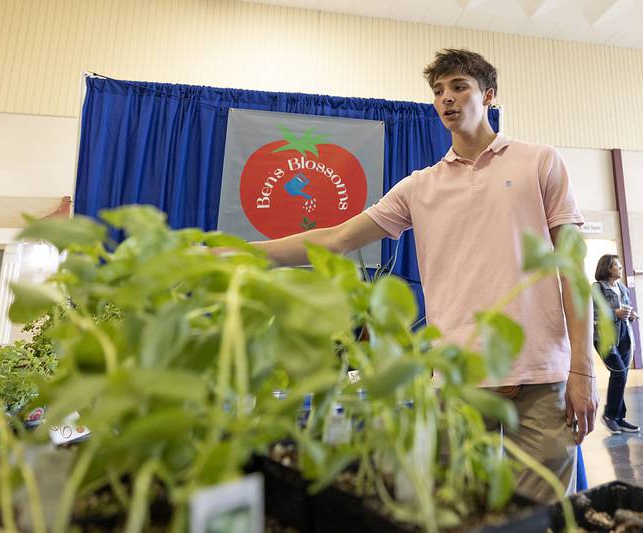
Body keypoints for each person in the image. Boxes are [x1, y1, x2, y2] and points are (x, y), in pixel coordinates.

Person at [252, 48, 597, 501]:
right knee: (454, 508)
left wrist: (583, 369)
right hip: (456, 378)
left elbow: (571, 268)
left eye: (459, 87)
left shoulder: (539, 162)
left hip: (539, 375)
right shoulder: (420, 186)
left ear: (488, 95)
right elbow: (336, 239)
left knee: (541, 513)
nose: (446, 99)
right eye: (438, 92)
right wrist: (240, 254)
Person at [593, 254, 640, 435]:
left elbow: (627, 309)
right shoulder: (597, 289)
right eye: (617, 266)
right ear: (607, 268)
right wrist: (616, 313)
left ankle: (619, 417)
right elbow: (594, 314)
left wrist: (632, 314)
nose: (620, 269)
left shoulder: (622, 287)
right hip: (606, 338)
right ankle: (610, 416)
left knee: (622, 376)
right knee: (619, 374)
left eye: (620, 266)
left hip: (624, 336)